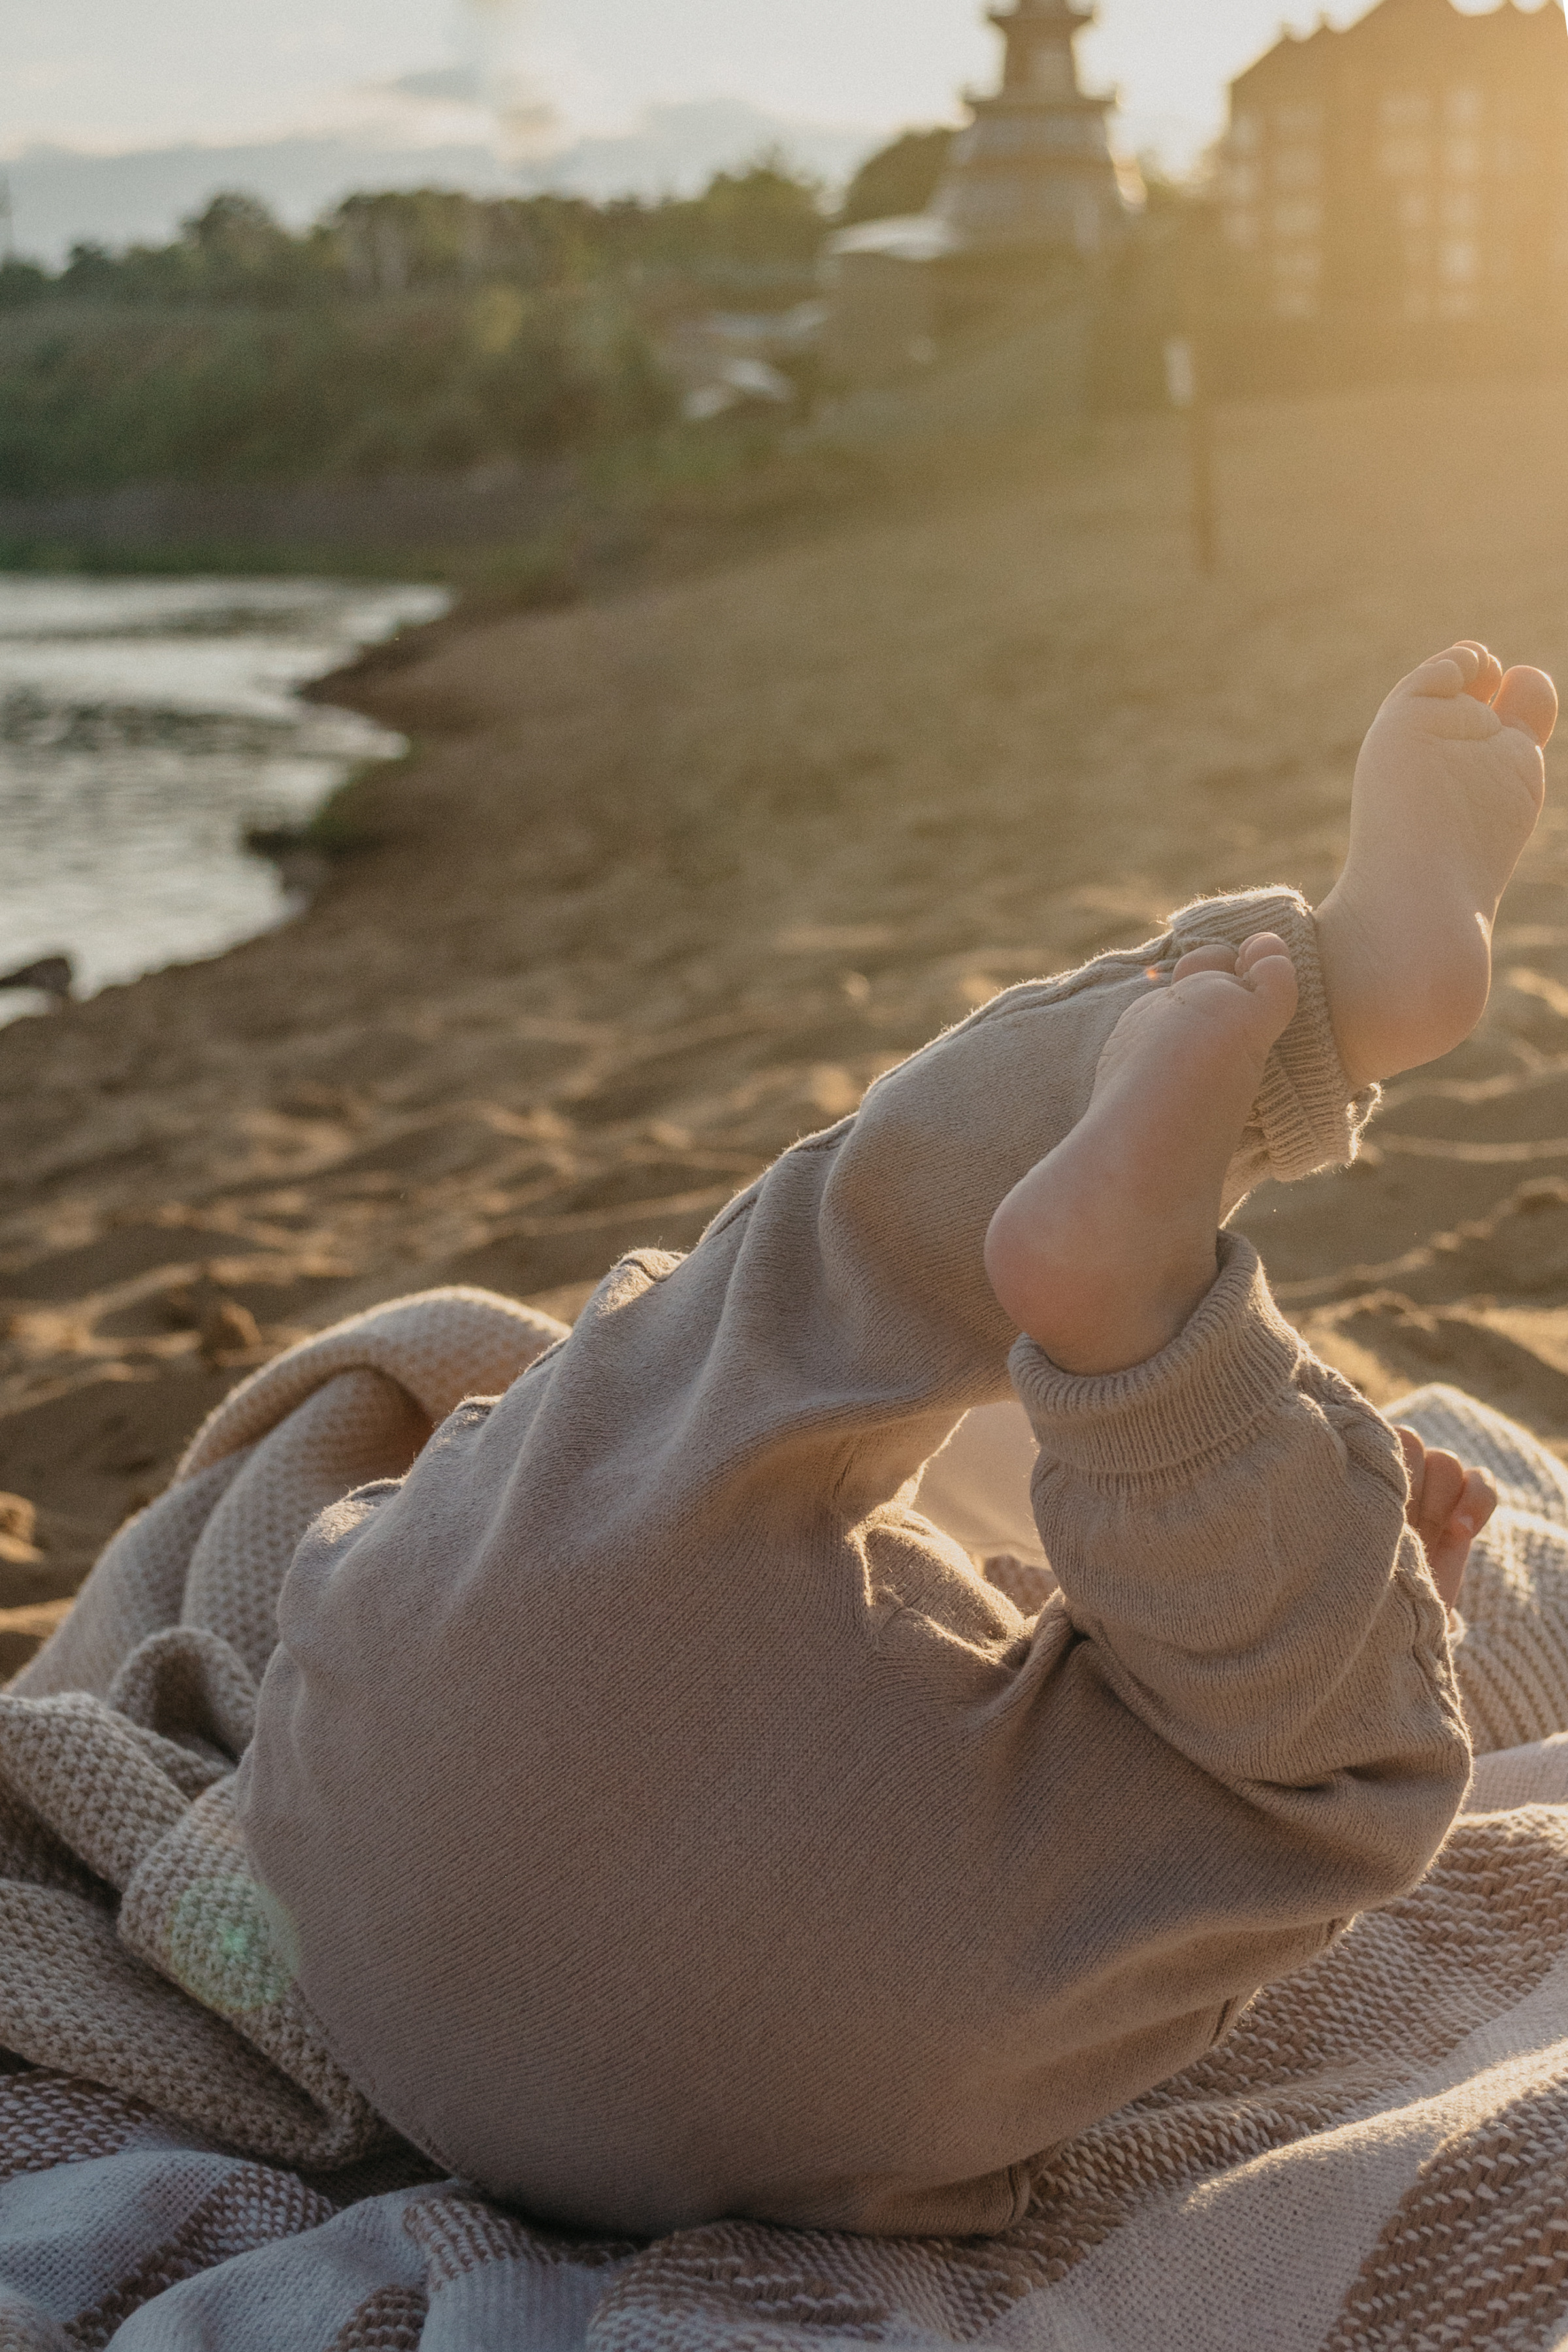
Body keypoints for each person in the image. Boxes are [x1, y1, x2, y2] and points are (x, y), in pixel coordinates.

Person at [235, 641, 1559, 2240]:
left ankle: (1329, 997)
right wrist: (1385, 1590)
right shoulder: (939, 1733)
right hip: (836, 2015)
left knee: (819, 1269)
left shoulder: (630, 1562)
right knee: (1298, 1772)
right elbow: (1178, 1762)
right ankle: (1227, 1192)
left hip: (376, 1812)